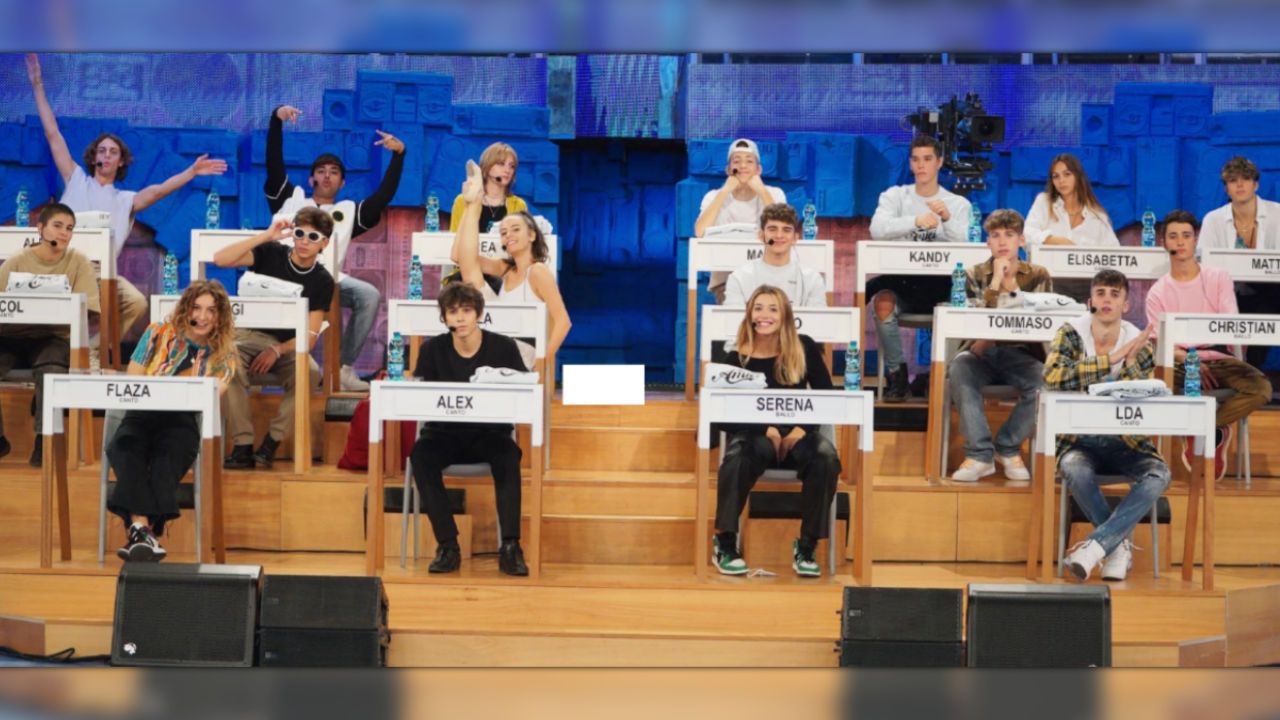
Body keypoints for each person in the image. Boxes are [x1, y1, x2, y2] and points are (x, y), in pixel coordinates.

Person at [26, 53, 228, 348]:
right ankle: (67, 345)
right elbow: (53, 134)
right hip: (65, 265)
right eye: (102, 150)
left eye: (113, 152)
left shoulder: (125, 200)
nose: (106, 155)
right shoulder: (76, 178)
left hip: (101, 274)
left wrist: (192, 172)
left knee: (134, 301)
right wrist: (37, 84)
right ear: (94, 157)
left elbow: (159, 190)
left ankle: (93, 348)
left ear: (120, 162)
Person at [265, 103, 405, 392]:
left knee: (368, 294)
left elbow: (383, 196)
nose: (327, 176)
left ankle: (343, 369)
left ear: (342, 182)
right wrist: (276, 120)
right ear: (311, 179)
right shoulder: (291, 200)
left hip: (326, 280)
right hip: (284, 279)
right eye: (321, 171)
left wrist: (399, 155)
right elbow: (274, 165)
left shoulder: (348, 212)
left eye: (334, 172)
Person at [710, 285, 842, 578]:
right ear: (749, 314)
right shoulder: (736, 357)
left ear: (785, 316)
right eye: (758, 308)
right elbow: (721, 416)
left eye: (773, 309)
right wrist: (763, 427)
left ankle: (807, 546)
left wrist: (801, 429)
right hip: (755, 436)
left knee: (825, 458)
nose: (764, 315)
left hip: (798, 434)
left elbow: (827, 397)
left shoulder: (804, 346)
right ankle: (725, 543)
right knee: (739, 455)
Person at [1047, 269, 1170, 582]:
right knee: (1073, 468)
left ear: (1125, 305)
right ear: (1090, 300)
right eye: (1100, 293)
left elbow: (1141, 395)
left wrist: (1129, 364)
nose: (1107, 300)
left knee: (1159, 474)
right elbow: (1053, 376)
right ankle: (1116, 548)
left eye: (1115, 295)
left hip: (1125, 441)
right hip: (1078, 440)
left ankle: (1096, 548)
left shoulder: (1139, 341)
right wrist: (1112, 358)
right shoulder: (1070, 333)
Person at [106, 280, 237, 562]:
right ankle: (145, 532)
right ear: (186, 309)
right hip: (142, 411)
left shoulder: (225, 354)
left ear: (220, 316)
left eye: (211, 310)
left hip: (181, 419)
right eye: (196, 308)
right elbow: (134, 376)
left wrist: (169, 387)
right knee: (125, 447)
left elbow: (210, 394)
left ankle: (140, 530)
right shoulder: (158, 332)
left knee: (164, 460)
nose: (202, 316)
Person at [410, 283, 530, 576]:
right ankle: (448, 546)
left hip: (490, 434)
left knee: (508, 455)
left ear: (478, 313)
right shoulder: (431, 350)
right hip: (443, 434)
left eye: (466, 310)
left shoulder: (504, 347)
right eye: (453, 312)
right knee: (421, 456)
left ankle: (511, 546)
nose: (460, 318)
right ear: (444, 317)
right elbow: (421, 398)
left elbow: (523, 391)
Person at [1145, 210, 1271, 481]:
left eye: (1186, 236)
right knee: (1152, 383)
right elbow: (1160, 343)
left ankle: (1209, 427)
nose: (1180, 242)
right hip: (1180, 361)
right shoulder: (1157, 291)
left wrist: (1205, 358)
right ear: (1164, 242)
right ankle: (1169, 453)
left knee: (1261, 389)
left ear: (1196, 240)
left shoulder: (1218, 277)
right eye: (1173, 236)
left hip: (1218, 356)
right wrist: (1190, 361)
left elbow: (1230, 324)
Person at [214, 207, 335, 470]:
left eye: (313, 237)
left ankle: (272, 442)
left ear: (324, 243)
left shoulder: (323, 281)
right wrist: (267, 236)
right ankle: (243, 445)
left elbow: (310, 337)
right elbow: (220, 259)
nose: (304, 241)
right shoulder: (271, 253)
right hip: (247, 336)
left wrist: (277, 350)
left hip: (286, 346)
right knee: (226, 361)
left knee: (310, 371)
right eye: (300, 233)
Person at [947, 209, 1052, 483]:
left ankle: (1008, 447)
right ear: (988, 243)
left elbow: (1038, 320)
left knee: (1046, 380)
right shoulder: (972, 274)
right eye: (995, 235)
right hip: (979, 353)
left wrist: (1011, 286)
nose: (1002, 241)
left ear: (1021, 240)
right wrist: (995, 282)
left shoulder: (1038, 274)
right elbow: (973, 321)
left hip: (1020, 352)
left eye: (1009, 234)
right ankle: (979, 455)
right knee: (959, 368)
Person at [868, 135, 973, 402]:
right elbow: (877, 230)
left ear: (940, 162)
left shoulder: (958, 204)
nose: (921, 165)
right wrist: (914, 221)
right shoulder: (895, 196)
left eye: (927, 159)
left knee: (964, 305)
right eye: (916, 159)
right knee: (882, 302)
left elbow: (969, 244)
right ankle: (897, 375)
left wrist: (946, 219)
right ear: (910, 163)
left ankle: (942, 378)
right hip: (905, 282)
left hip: (944, 286)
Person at [0, 203, 100, 467]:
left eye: (69, 228)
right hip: (13, 336)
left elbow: (89, 310)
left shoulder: (79, 262)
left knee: (51, 368)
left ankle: (44, 441)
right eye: (58, 226)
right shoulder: (17, 261)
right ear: (40, 228)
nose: (64, 233)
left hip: (54, 336)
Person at [451, 160, 572, 357]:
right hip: (501, 341)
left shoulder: (538, 271)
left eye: (515, 229)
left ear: (531, 235)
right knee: (471, 274)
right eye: (504, 233)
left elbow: (563, 322)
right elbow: (459, 257)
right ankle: (475, 204)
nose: (509, 235)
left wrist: (544, 360)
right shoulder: (505, 269)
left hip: (524, 351)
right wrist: (469, 205)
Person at [1198, 156, 1280, 369]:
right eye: (1233, 180)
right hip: (1225, 291)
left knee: (1270, 302)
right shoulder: (1213, 219)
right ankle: (1224, 368)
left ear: (1256, 184)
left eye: (1246, 179)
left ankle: (1251, 370)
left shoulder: (1277, 214)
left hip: (1269, 292)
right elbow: (1203, 265)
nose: (1240, 185)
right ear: (1226, 189)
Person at [694, 138, 788, 303]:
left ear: (758, 169)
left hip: (769, 278)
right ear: (728, 169)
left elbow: (783, 228)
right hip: (727, 280)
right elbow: (699, 231)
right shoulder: (713, 196)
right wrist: (724, 192)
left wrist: (761, 191)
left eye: (749, 161)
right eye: (737, 161)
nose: (743, 166)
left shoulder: (775, 194)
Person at [723, 203, 827, 308]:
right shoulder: (739, 278)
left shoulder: (812, 279)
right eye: (772, 229)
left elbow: (817, 318)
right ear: (761, 235)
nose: (779, 235)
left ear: (795, 238)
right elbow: (733, 317)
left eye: (786, 230)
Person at [1024, 153, 1120, 247]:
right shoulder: (1044, 202)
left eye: (1067, 174)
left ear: (1078, 177)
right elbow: (1026, 234)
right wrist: (1053, 240)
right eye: (1056, 176)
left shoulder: (1097, 217)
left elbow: (1114, 252)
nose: (1061, 180)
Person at [449, 142, 528, 234]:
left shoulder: (519, 205)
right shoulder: (462, 201)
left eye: (512, 166)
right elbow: (454, 238)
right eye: (501, 164)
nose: (507, 170)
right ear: (487, 166)